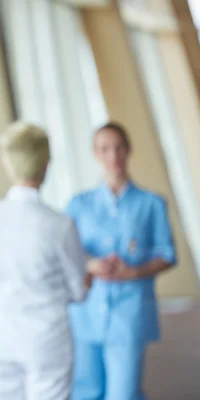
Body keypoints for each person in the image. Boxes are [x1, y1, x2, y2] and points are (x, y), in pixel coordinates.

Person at [0, 121, 89, 400]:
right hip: (46, 340)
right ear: (46, 165)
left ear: (7, 164)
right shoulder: (60, 224)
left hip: (1, 337)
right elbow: (79, 289)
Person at [67, 122, 176, 400]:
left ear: (128, 150)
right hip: (87, 312)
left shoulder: (152, 204)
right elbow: (66, 252)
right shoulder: (79, 204)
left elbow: (167, 254)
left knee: (123, 393)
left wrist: (134, 271)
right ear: (95, 153)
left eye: (118, 148)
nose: (113, 155)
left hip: (130, 313)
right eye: (105, 149)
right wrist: (91, 264)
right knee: (86, 391)